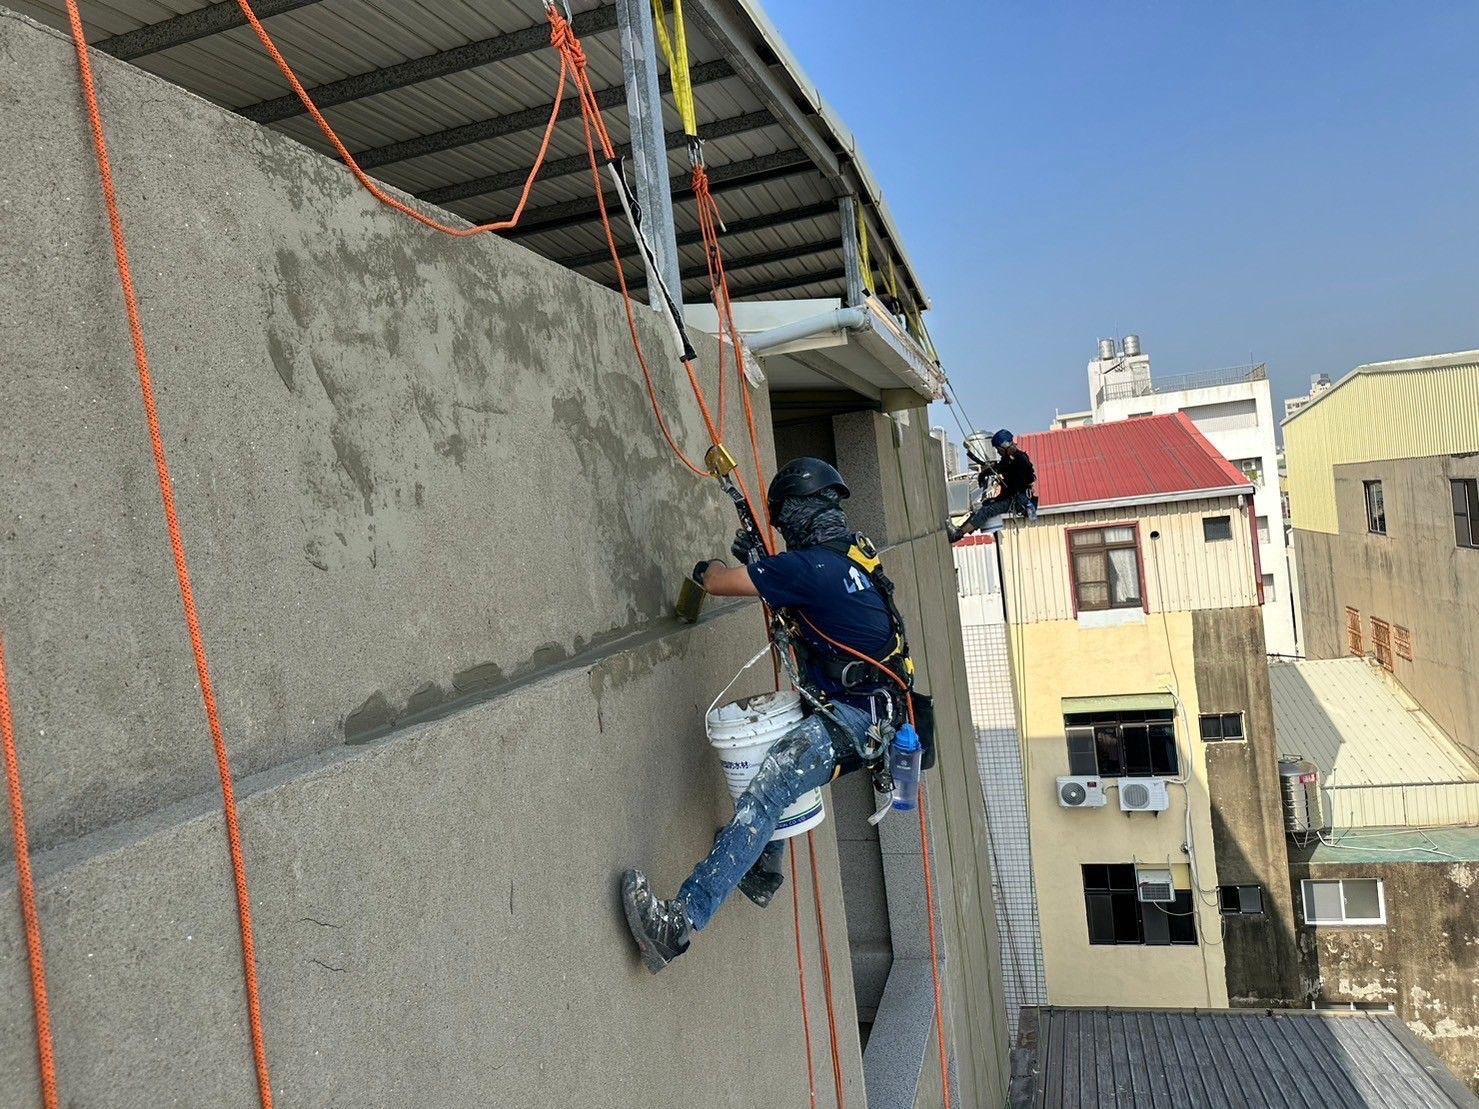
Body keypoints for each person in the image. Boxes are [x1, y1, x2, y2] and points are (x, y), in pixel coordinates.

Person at [620, 458, 915, 973]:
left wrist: (719, 568)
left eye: (784, 520)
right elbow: (820, 604)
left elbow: (715, 582)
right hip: (879, 705)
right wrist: (765, 563)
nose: (783, 529)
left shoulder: (805, 569)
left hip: (856, 715)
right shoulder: (854, 554)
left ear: (799, 512)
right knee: (776, 757)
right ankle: (761, 873)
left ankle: (677, 927)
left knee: (773, 778)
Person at [947, 428, 1035, 542]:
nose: (998, 452)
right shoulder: (1009, 459)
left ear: (1005, 446)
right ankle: (960, 529)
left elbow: (1014, 487)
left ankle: (957, 534)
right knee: (984, 506)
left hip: (1019, 499)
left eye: (999, 449)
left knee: (987, 510)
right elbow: (998, 468)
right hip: (1015, 496)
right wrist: (983, 473)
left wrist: (997, 499)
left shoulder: (1019, 460)